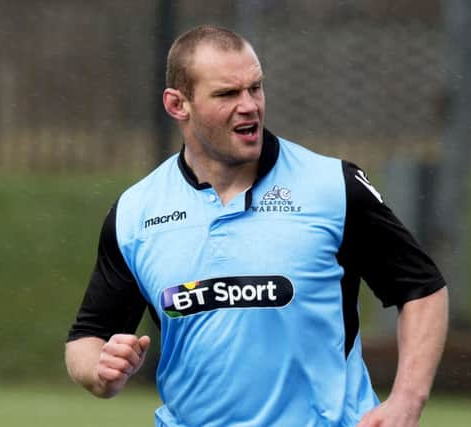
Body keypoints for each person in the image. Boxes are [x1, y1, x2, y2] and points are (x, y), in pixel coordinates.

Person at [65, 24, 448, 427]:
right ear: (178, 105)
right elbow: (87, 338)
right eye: (227, 94)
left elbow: (422, 290)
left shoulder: (332, 187)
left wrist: (407, 400)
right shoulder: (135, 213)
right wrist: (100, 370)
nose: (249, 105)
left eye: (255, 88)